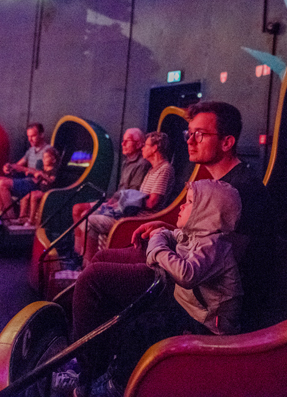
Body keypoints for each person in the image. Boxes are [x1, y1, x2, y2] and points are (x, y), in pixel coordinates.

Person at [61, 179, 245, 397]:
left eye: (189, 202)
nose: (182, 206)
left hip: (206, 326)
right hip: (189, 307)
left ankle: (116, 385)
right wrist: (161, 234)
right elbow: (171, 235)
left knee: (142, 330)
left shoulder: (213, 246)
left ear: (206, 214)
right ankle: (104, 370)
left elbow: (186, 274)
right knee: (133, 323)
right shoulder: (197, 235)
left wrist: (156, 249)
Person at [75, 131, 174, 265]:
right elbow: (140, 197)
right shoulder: (152, 170)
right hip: (132, 216)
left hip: (140, 221)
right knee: (85, 215)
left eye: (146, 145)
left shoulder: (165, 169)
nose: (143, 148)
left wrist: (127, 201)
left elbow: (152, 203)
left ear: (155, 148)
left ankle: (89, 266)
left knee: (90, 221)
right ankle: (84, 261)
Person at [71, 128, 150, 225]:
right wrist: (112, 199)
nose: (123, 144)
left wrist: (114, 201)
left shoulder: (142, 164)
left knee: (83, 213)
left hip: (122, 206)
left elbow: (132, 192)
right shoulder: (126, 162)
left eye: (127, 141)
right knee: (77, 208)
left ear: (138, 144)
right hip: (115, 201)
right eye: (123, 140)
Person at [0, 122, 50, 220]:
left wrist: (24, 169)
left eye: (33, 136)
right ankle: (2, 213)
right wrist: (9, 167)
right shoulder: (31, 150)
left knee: (2, 183)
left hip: (36, 184)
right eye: (28, 136)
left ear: (41, 134)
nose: (30, 139)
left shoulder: (48, 151)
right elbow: (18, 165)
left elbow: (44, 174)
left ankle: (11, 217)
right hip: (26, 181)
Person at [16, 146, 60, 228]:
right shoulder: (43, 169)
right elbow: (38, 178)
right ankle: (22, 217)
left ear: (53, 160)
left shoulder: (53, 170)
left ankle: (31, 220)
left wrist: (42, 175)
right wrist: (32, 174)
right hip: (40, 190)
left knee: (34, 195)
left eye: (47, 157)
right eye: (43, 157)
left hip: (48, 193)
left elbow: (51, 181)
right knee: (26, 195)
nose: (44, 159)